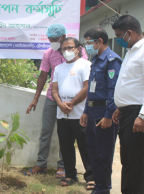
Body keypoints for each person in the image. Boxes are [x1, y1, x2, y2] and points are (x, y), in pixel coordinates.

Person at [111, 15, 144, 194]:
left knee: (136, 161)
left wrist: (143, 115)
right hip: (127, 112)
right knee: (127, 159)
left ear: (129, 33)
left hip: (138, 113)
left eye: (119, 35)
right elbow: (131, 84)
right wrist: (120, 107)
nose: (118, 39)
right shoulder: (132, 51)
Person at [81, 28, 122, 194]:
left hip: (104, 111)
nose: (87, 46)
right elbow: (92, 89)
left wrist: (108, 115)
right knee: (93, 150)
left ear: (99, 41)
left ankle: (104, 188)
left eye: (89, 42)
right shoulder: (96, 60)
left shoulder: (112, 60)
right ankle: (98, 185)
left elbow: (114, 90)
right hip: (92, 110)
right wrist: (85, 110)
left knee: (104, 153)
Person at [25, 23, 66, 178]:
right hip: (51, 97)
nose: (52, 42)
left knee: (65, 133)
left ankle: (63, 166)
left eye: (55, 39)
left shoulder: (78, 52)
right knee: (46, 131)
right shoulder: (49, 53)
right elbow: (43, 75)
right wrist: (35, 98)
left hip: (70, 99)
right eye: (50, 39)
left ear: (63, 37)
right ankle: (41, 164)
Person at [51, 37, 92, 186]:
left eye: (70, 47)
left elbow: (87, 88)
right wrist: (61, 104)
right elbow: (54, 89)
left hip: (80, 114)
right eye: (64, 48)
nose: (67, 51)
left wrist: (72, 103)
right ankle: (70, 174)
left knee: (85, 146)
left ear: (78, 48)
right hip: (62, 115)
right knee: (66, 146)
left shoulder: (85, 65)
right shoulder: (59, 68)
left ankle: (91, 177)